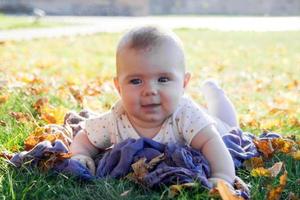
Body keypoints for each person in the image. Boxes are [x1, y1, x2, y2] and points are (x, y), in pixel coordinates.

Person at [70, 26, 238, 187]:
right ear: (119, 87)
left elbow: (211, 141)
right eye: (136, 81)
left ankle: (215, 94)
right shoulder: (116, 118)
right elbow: (86, 137)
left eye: (163, 79)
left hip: (216, 129)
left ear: (183, 83)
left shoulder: (185, 114)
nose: (150, 91)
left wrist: (221, 176)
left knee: (228, 124)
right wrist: (81, 154)